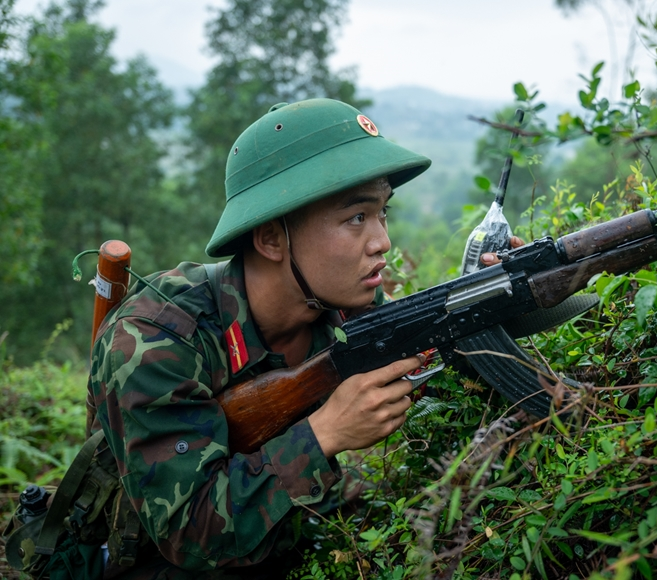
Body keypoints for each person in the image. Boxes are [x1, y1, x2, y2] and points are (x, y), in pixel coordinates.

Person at [85, 99, 439, 578]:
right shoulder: (154, 342)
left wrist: (507, 294)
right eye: (356, 218)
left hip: (294, 538)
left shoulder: (338, 300)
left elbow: (427, 354)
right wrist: (325, 434)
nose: (381, 241)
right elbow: (190, 534)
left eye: (383, 215)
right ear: (272, 238)